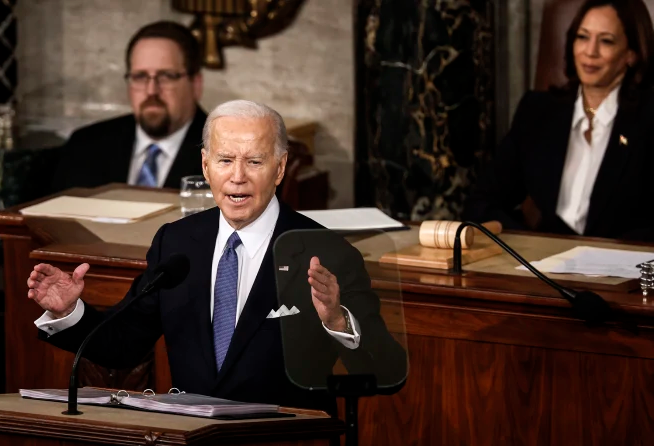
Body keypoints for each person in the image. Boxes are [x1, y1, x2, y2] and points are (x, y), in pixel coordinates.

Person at [27, 100, 406, 412]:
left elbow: (386, 370)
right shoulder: (176, 242)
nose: (237, 176)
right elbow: (124, 344)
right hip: (191, 437)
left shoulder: (327, 253)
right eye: (225, 160)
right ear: (206, 166)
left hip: (282, 439)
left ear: (280, 168)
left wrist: (338, 320)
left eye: (254, 162)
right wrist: (68, 313)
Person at [463, 0, 654, 241]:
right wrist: (533, 248)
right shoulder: (538, 112)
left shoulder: (647, 119)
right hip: (546, 267)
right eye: (582, 37)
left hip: (626, 270)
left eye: (606, 41)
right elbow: (482, 203)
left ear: (632, 54)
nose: (590, 51)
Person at [51, 21, 206, 192]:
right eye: (140, 76)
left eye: (166, 76)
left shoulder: (226, 152)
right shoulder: (85, 146)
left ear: (196, 84)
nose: (151, 91)